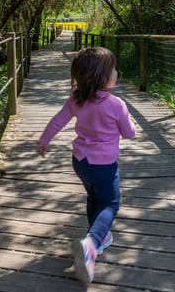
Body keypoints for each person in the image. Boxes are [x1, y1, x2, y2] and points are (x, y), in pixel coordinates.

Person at [35, 46, 136, 284]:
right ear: (103, 78)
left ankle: (98, 238)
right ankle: (91, 244)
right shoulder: (116, 104)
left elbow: (57, 121)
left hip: (80, 162)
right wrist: (129, 121)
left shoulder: (75, 100)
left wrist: (43, 141)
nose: (116, 72)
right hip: (104, 165)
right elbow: (129, 133)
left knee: (93, 198)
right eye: (113, 69)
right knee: (110, 203)